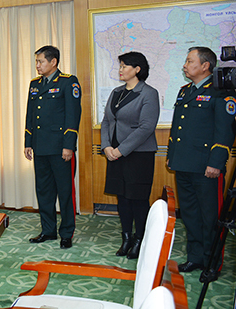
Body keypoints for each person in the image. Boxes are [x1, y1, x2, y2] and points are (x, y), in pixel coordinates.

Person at [167, 47, 236, 273]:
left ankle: (212, 263)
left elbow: (225, 132)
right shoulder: (184, 91)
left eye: (190, 61)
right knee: (190, 215)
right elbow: (178, 128)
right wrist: (172, 156)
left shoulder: (221, 93)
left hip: (207, 167)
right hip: (183, 163)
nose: (185, 65)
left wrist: (216, 163)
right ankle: (195, 258)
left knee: (210, 217)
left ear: (205, 66)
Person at [101, 52, 160, 259]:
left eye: (125, 66)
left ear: (137, 69)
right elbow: (106, 121)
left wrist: (120, 150)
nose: (120, 69)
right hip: (115, 153)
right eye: (120, 65)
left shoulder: (148, 93)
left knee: (138, 199)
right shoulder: (116, 92)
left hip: (138, 155)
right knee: (122, 198)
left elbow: (146, 128)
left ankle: (140, 239)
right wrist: (106, 146)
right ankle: (126, 238)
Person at [25, 45, 81, 249]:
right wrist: (28, 142)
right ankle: (48, 231)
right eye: (36, 62)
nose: (38, 65)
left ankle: (66, 232)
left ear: (53, 62)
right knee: (44, 191)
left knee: (65, 192)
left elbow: (73, 116)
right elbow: (30, 115)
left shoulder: (68, 82)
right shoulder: (34, 84)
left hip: (60, 149)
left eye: (41, 61)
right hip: (40, 147)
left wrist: (68, 146)